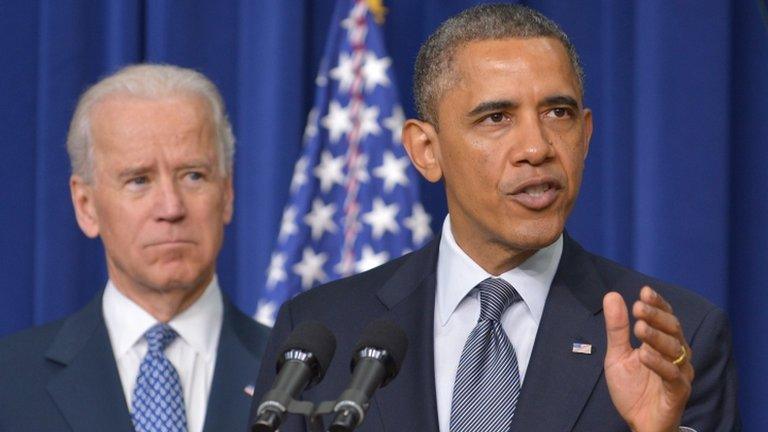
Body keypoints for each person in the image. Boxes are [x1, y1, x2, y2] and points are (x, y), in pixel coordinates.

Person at [250, 4, 739, 432]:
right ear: (426, 149)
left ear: (586, 135)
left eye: (558, 113)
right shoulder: (321, 332)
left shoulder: (677, 343)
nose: (537, 147)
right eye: (496, 118)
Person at [0, 64, 270, 432]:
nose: (171, 208)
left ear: (227, 193)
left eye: (194, 175)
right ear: (86, 206)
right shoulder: (10, 383)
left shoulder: (299, 375)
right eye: (139, 180)